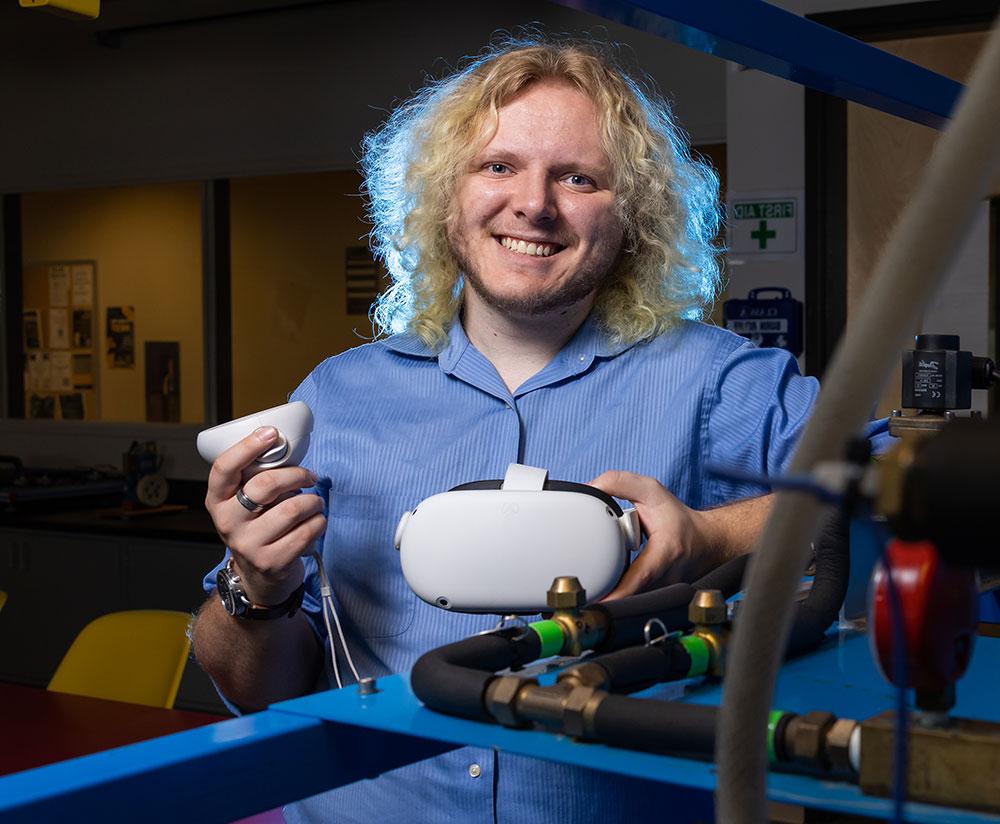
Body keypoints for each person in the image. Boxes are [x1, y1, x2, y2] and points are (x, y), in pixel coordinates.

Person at [192, 36, 821, 823]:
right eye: (499, 166)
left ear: (632, 214)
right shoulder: (338, 396)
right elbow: (255, 690)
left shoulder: (715, 380)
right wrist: (258, 588)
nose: (535, 204)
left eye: (578, 177)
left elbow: (905, 495)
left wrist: (710, 534)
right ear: (443, 195)